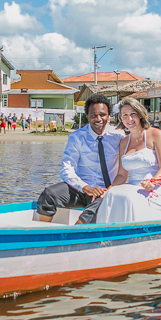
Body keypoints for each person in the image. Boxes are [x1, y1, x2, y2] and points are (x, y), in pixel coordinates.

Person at [35, 94, 125, 225]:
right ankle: (42, 233)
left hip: (105, 191)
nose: (98, 119)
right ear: (87, 116)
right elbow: (67, 168)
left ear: (109, 116)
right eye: (93, 115)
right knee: (48, 195)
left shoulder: (118, 136)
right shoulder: (77, 137)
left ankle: (71, 239)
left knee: (94, 210)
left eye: (102, 115)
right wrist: (85, 187)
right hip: (81, 189)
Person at [95, 98, 161, 223]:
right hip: (133, 187)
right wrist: (109, 190)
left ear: (140, 115)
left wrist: (153, 182)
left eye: (133, 114)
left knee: (127, 197)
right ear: (121, 118)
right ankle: (107, 235)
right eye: (125, 115)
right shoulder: (124, 143)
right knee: (112, 195)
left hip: (156, 188)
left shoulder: (156, 134)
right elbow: (122, 175)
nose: (129, 119)